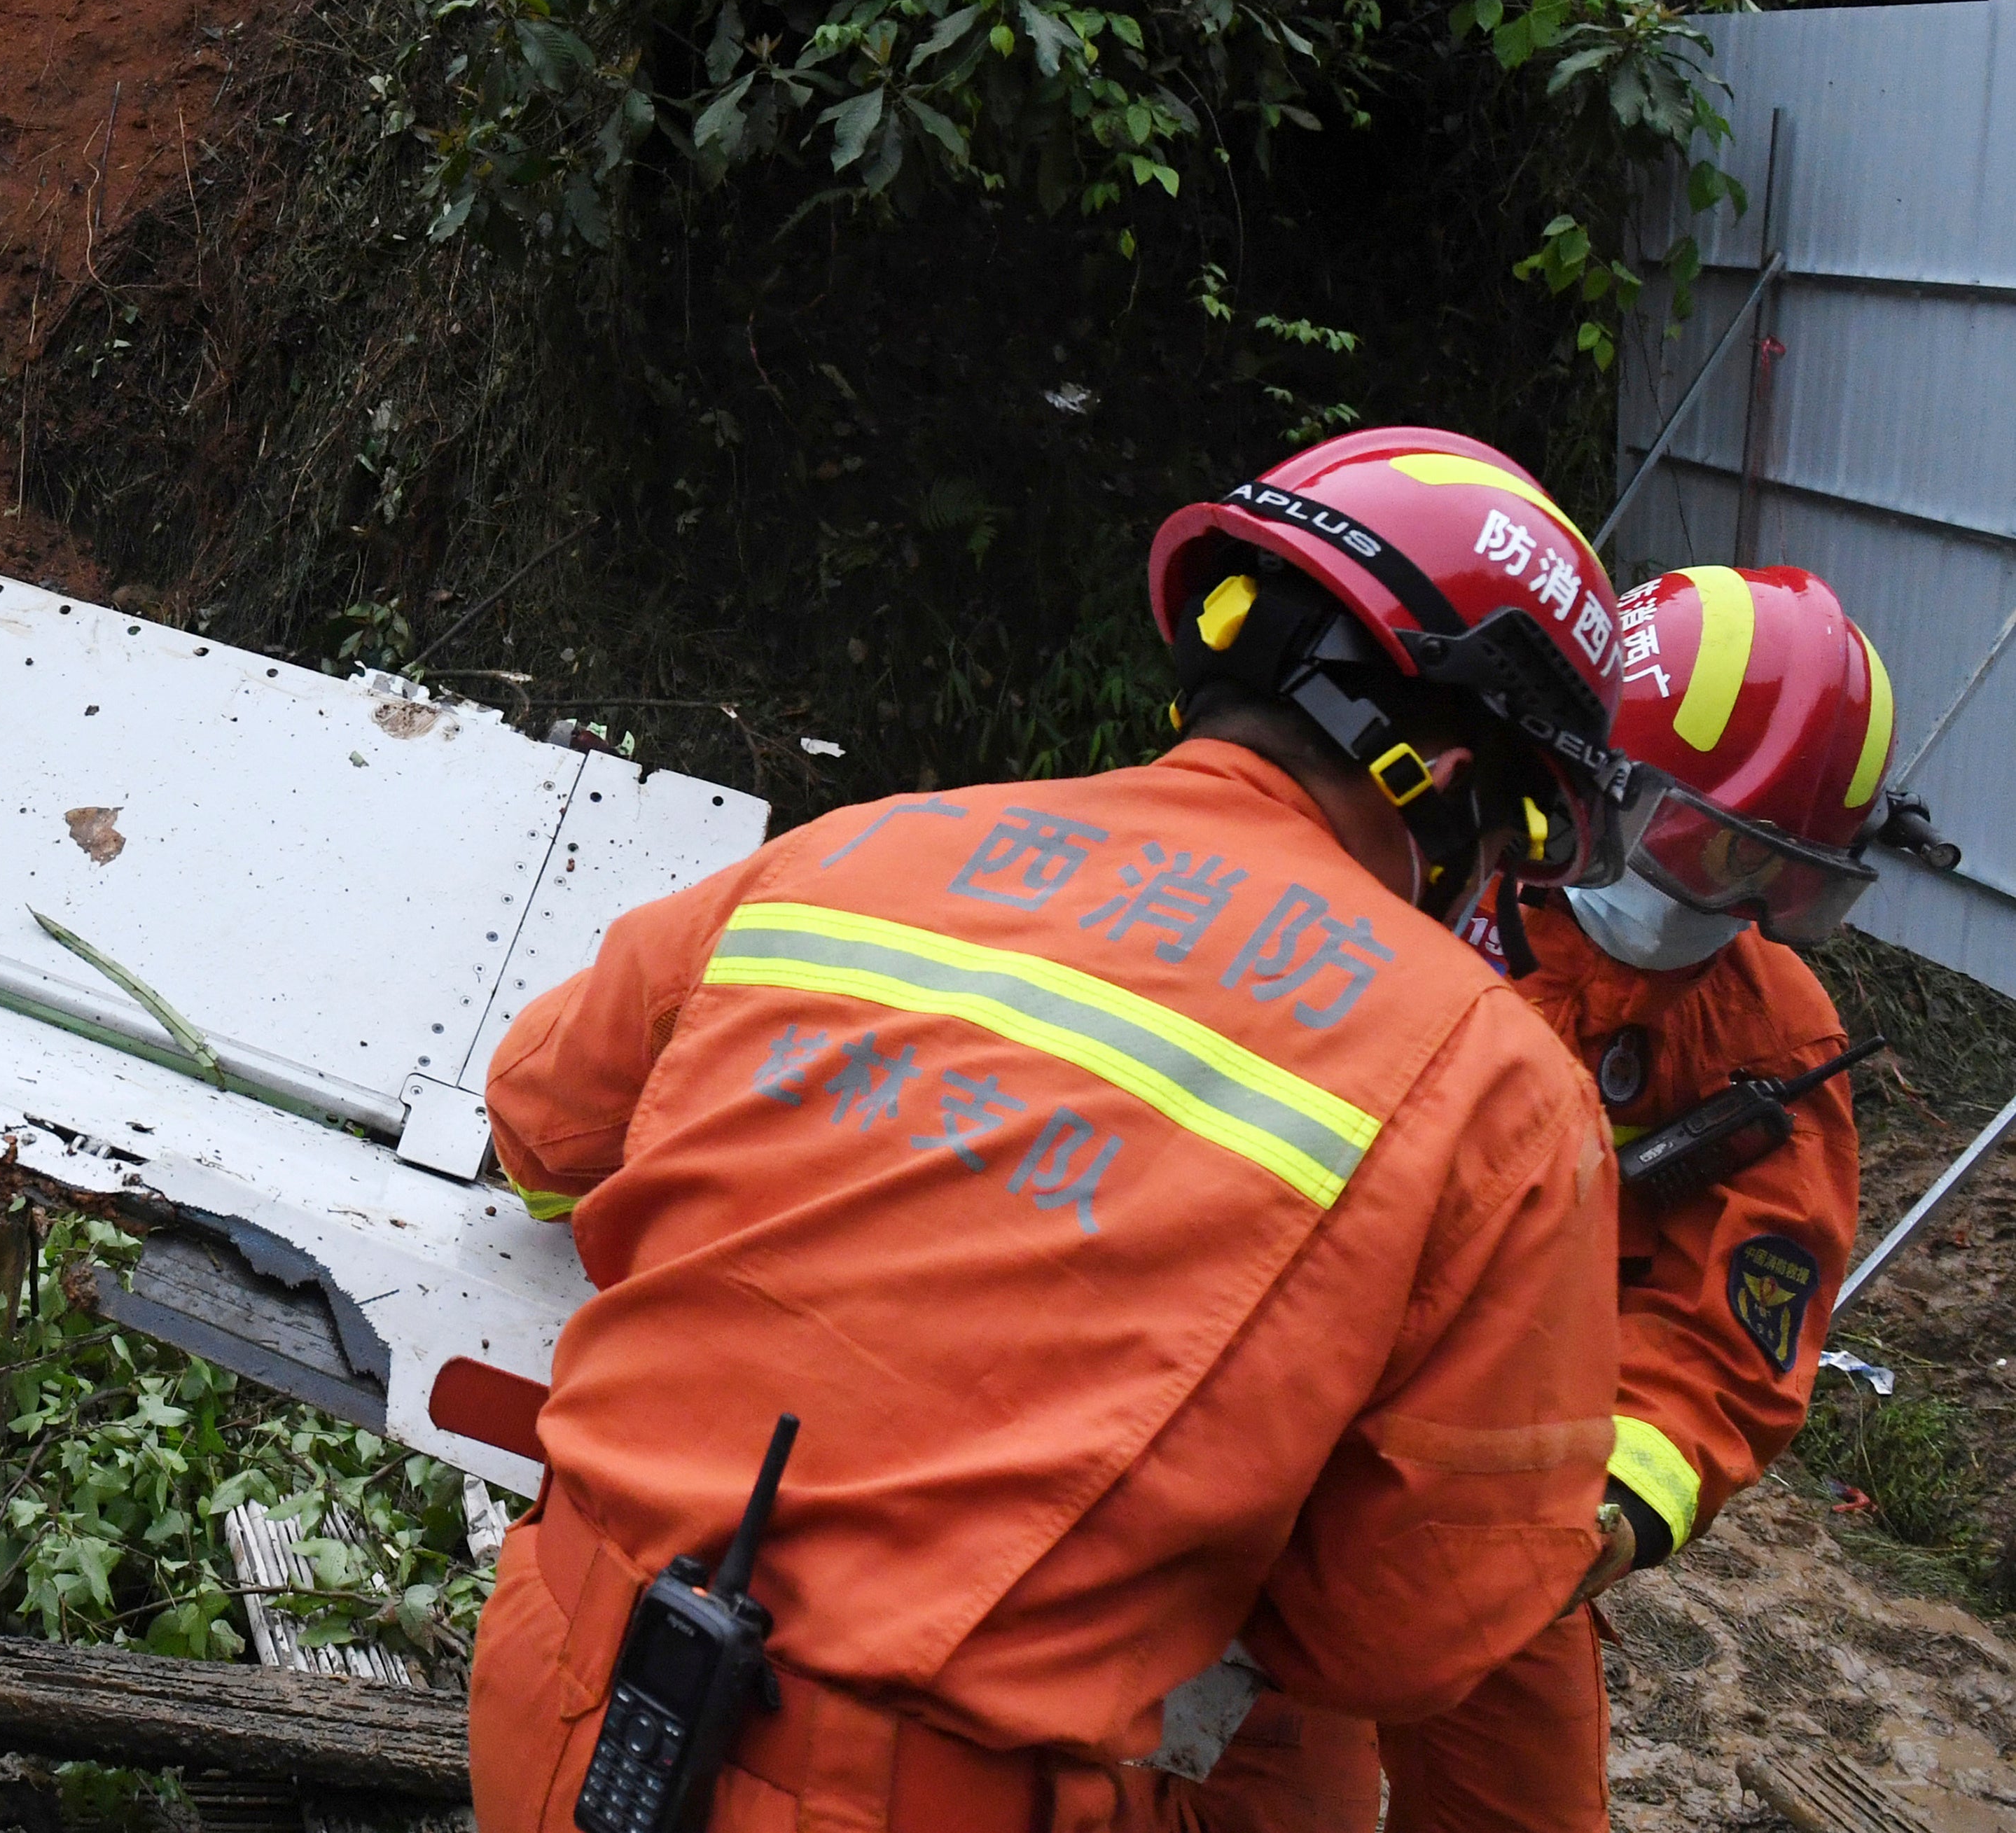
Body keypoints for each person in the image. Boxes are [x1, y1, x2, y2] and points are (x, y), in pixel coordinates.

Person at [469, 427, 1634, 1833]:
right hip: (905, 1792)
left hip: (556, 1680)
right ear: (1451, 785)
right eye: (1511, 846)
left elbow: (539, 1125)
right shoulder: (1488, 1079)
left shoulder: (863, 843)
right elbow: (1398, 1631)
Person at [1202, 563, 1919, 1833]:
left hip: (1508, 1497)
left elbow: (1733, 1342)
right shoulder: (1415, 882)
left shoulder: (1774, 1037)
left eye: (1779, 877)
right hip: (1270, 1460)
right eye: (1701, 842)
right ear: (1596, 774)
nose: (1721, 898)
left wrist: (1604, 1517)